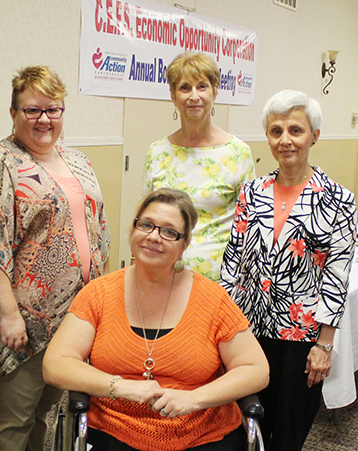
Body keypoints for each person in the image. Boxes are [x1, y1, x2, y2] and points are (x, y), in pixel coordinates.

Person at [43, 188, 269, 451]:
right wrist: (122, 387)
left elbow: (256, 369)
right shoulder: (98, 293)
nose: (153, 237)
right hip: (116, 429)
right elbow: (55, 364)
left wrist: (194, 399)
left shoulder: (213, 299)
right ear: (133, 229)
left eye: (169, 231)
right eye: (146, 225)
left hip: (202, 432)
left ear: (184, 245)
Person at [0, 65, 111, 451]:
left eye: (53, 110)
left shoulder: (77, 160)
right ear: (13, 113)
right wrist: (8, 315)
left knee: (47, 411)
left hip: (75, 314)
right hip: (27, 319)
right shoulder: (1, 162)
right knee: (13, 416)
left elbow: (99, 227)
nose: (44, 119)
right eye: (32, 110)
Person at [220, 90, 357, 451]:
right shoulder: (252, 192)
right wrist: (223, 329)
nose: (285, 140)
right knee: (244, 429)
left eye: (295, 130)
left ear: (314, 135)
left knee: (286, 436)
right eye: (275, 130)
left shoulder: (338, 199)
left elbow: (337, 276)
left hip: (302, 339)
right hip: (248, 332)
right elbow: (233, 263)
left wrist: (325, 345)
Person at [143, 52, 255, 282]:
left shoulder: (238, 153)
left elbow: (250, 226)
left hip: (222, 282)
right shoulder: (157, 152)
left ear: (215, 91)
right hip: (164, 277)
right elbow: (146, 223)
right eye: (185, 88)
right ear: (173, 96)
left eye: (202, 86)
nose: (194, 96)